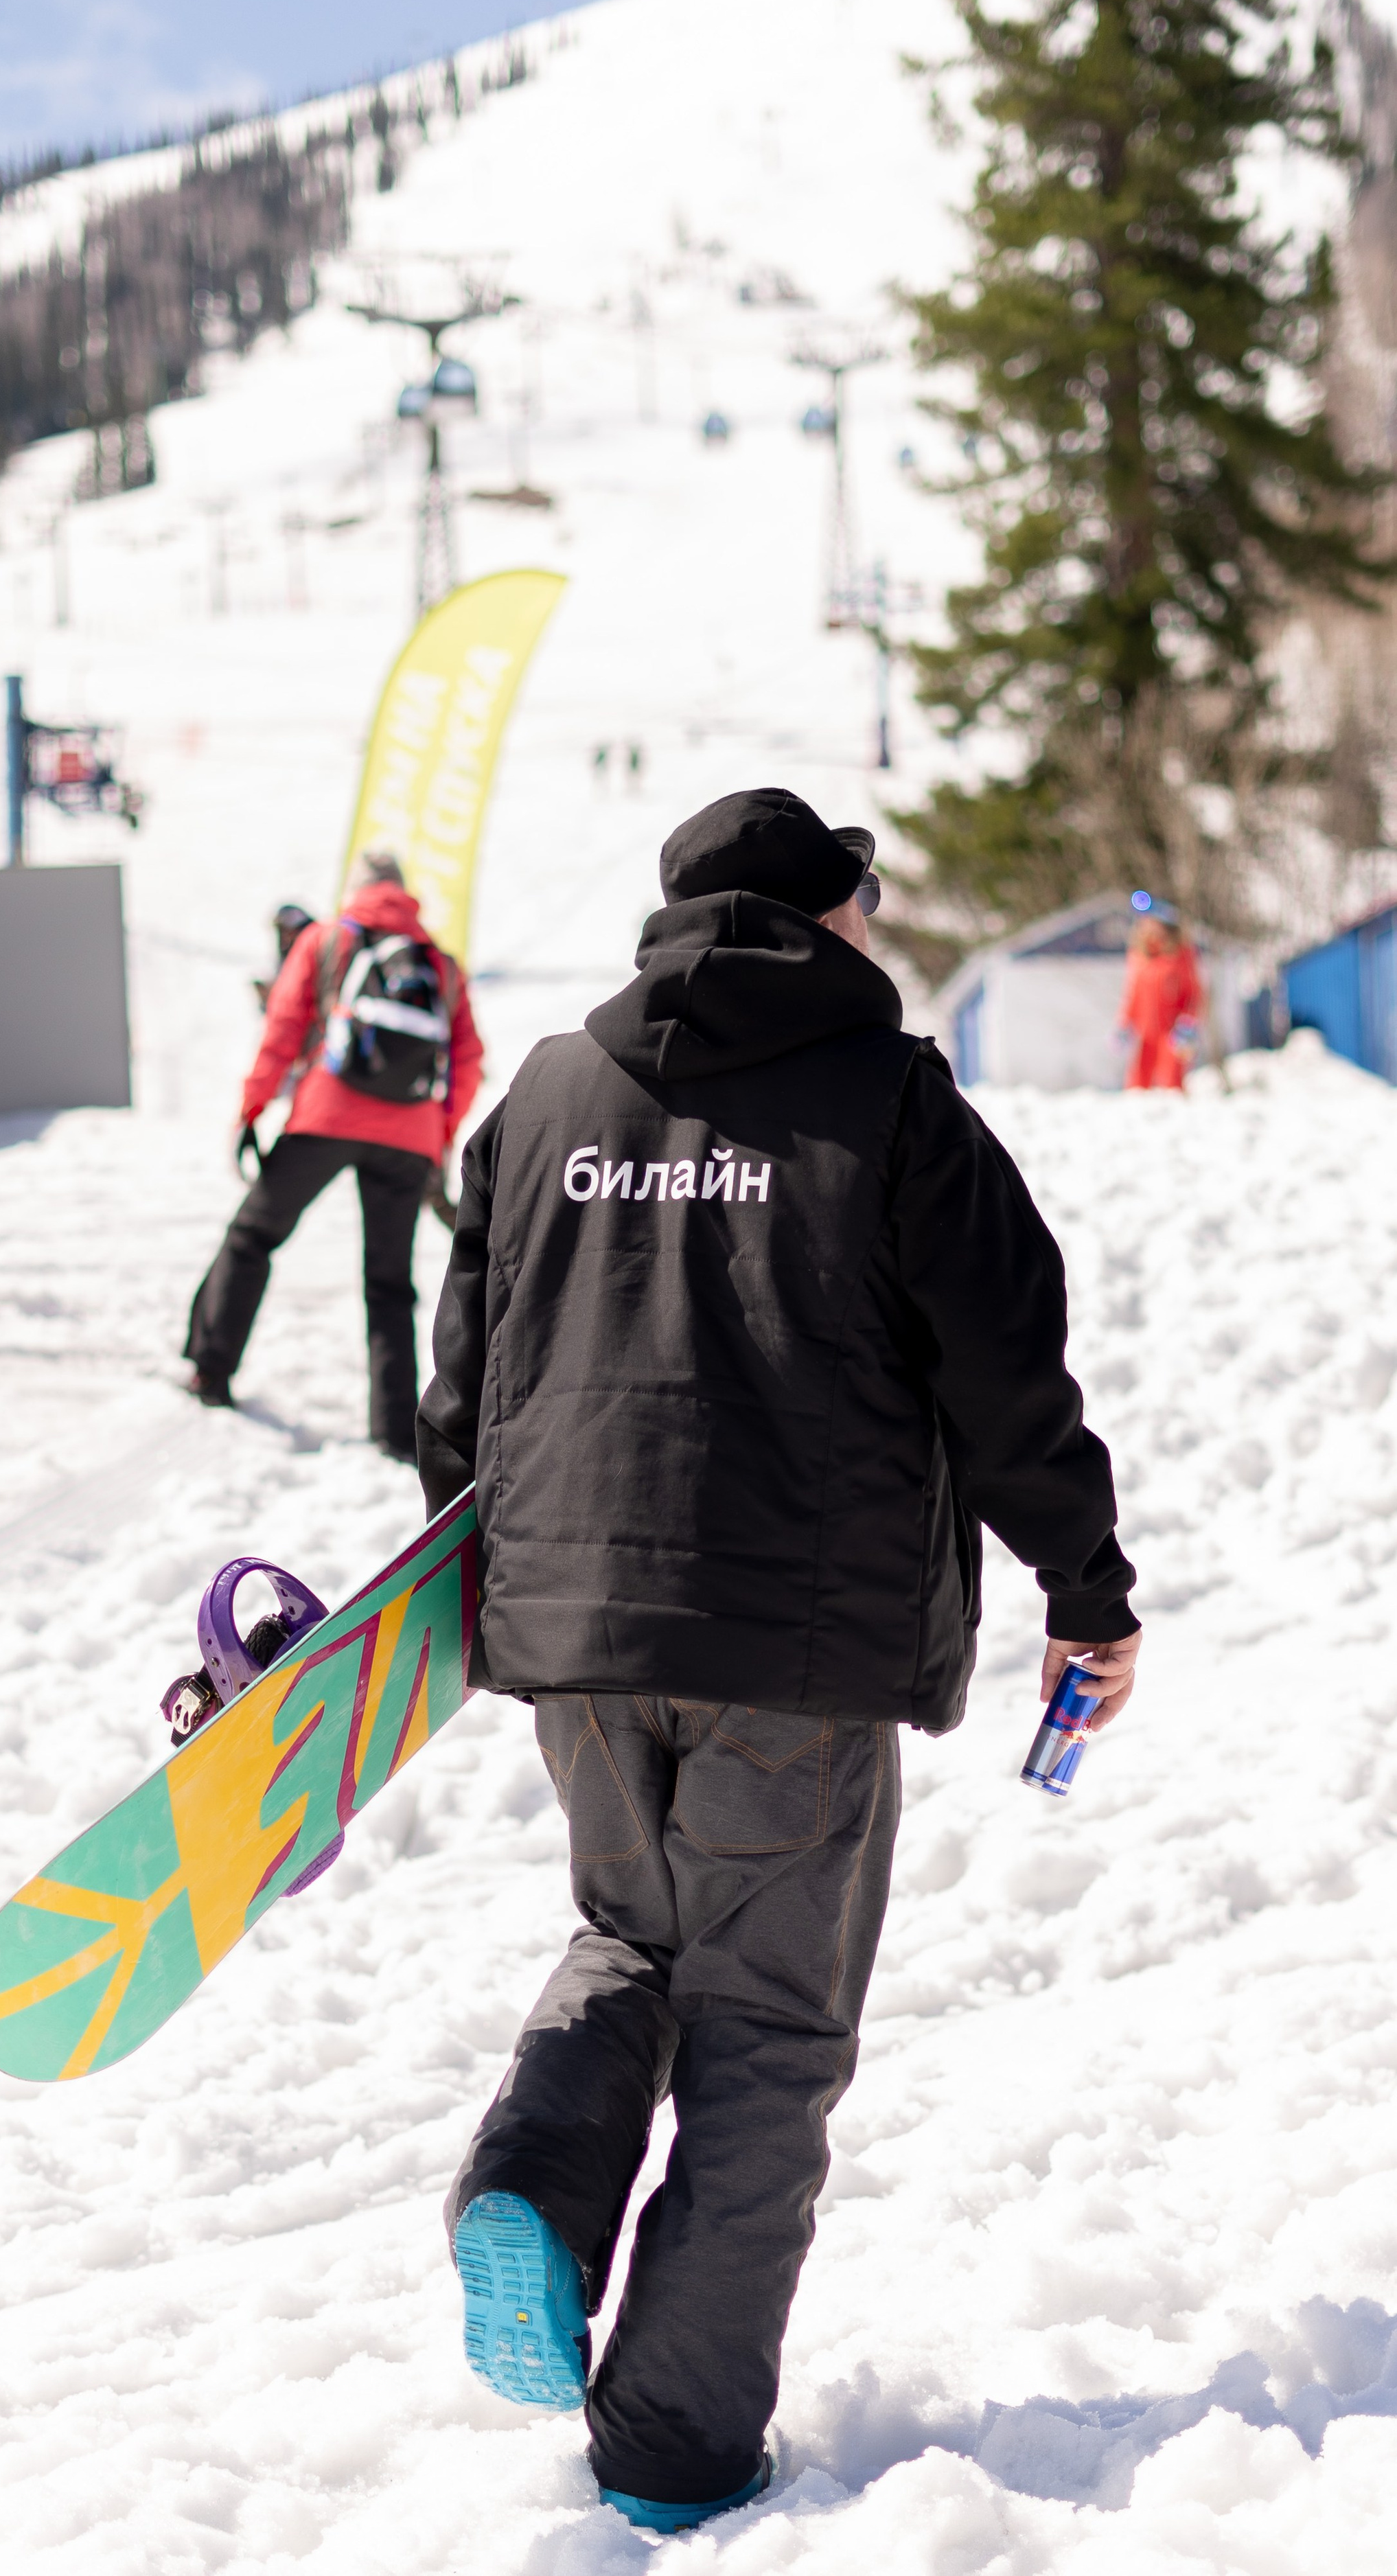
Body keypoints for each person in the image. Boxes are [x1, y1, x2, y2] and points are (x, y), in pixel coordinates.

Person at [416, 787, 1141, 2534]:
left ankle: (534, 2188)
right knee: (764, 2032)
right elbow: (1003, 1367)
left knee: (628, 1936)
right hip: (791, 1646)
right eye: (861, 902)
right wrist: (1084, 1584)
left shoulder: (544, 1100)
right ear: (823, 917)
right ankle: (674, 2444)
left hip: (576, 1635)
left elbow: (456, 1387)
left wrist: (496, 1592)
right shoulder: (889, 1101)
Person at [185, 851, 483, 1459]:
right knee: (389, 1282)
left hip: (326, 1116)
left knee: (253, 1237)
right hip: (410, 1135)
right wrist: (440, 1135)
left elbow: (282, 1029)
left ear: (357, 889)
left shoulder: (325, 940)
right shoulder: (442, 964)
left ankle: (211, 1368)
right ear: (403, 893)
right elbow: (468, 1060)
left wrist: (252, 1108)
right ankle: (396, 1431)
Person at [1120, 906, 1203, 1090]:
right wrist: (1124, 1024)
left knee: (1172, 1082)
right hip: (1145, 1031)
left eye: (1154, 924)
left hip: (1172, 1031)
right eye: (1145, 925)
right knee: (1137, 1083)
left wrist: (1188, 1021)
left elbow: (1193, 993)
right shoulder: (1138, 956)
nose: (1149, 929)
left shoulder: (1181, 955)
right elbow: (1133, 995)